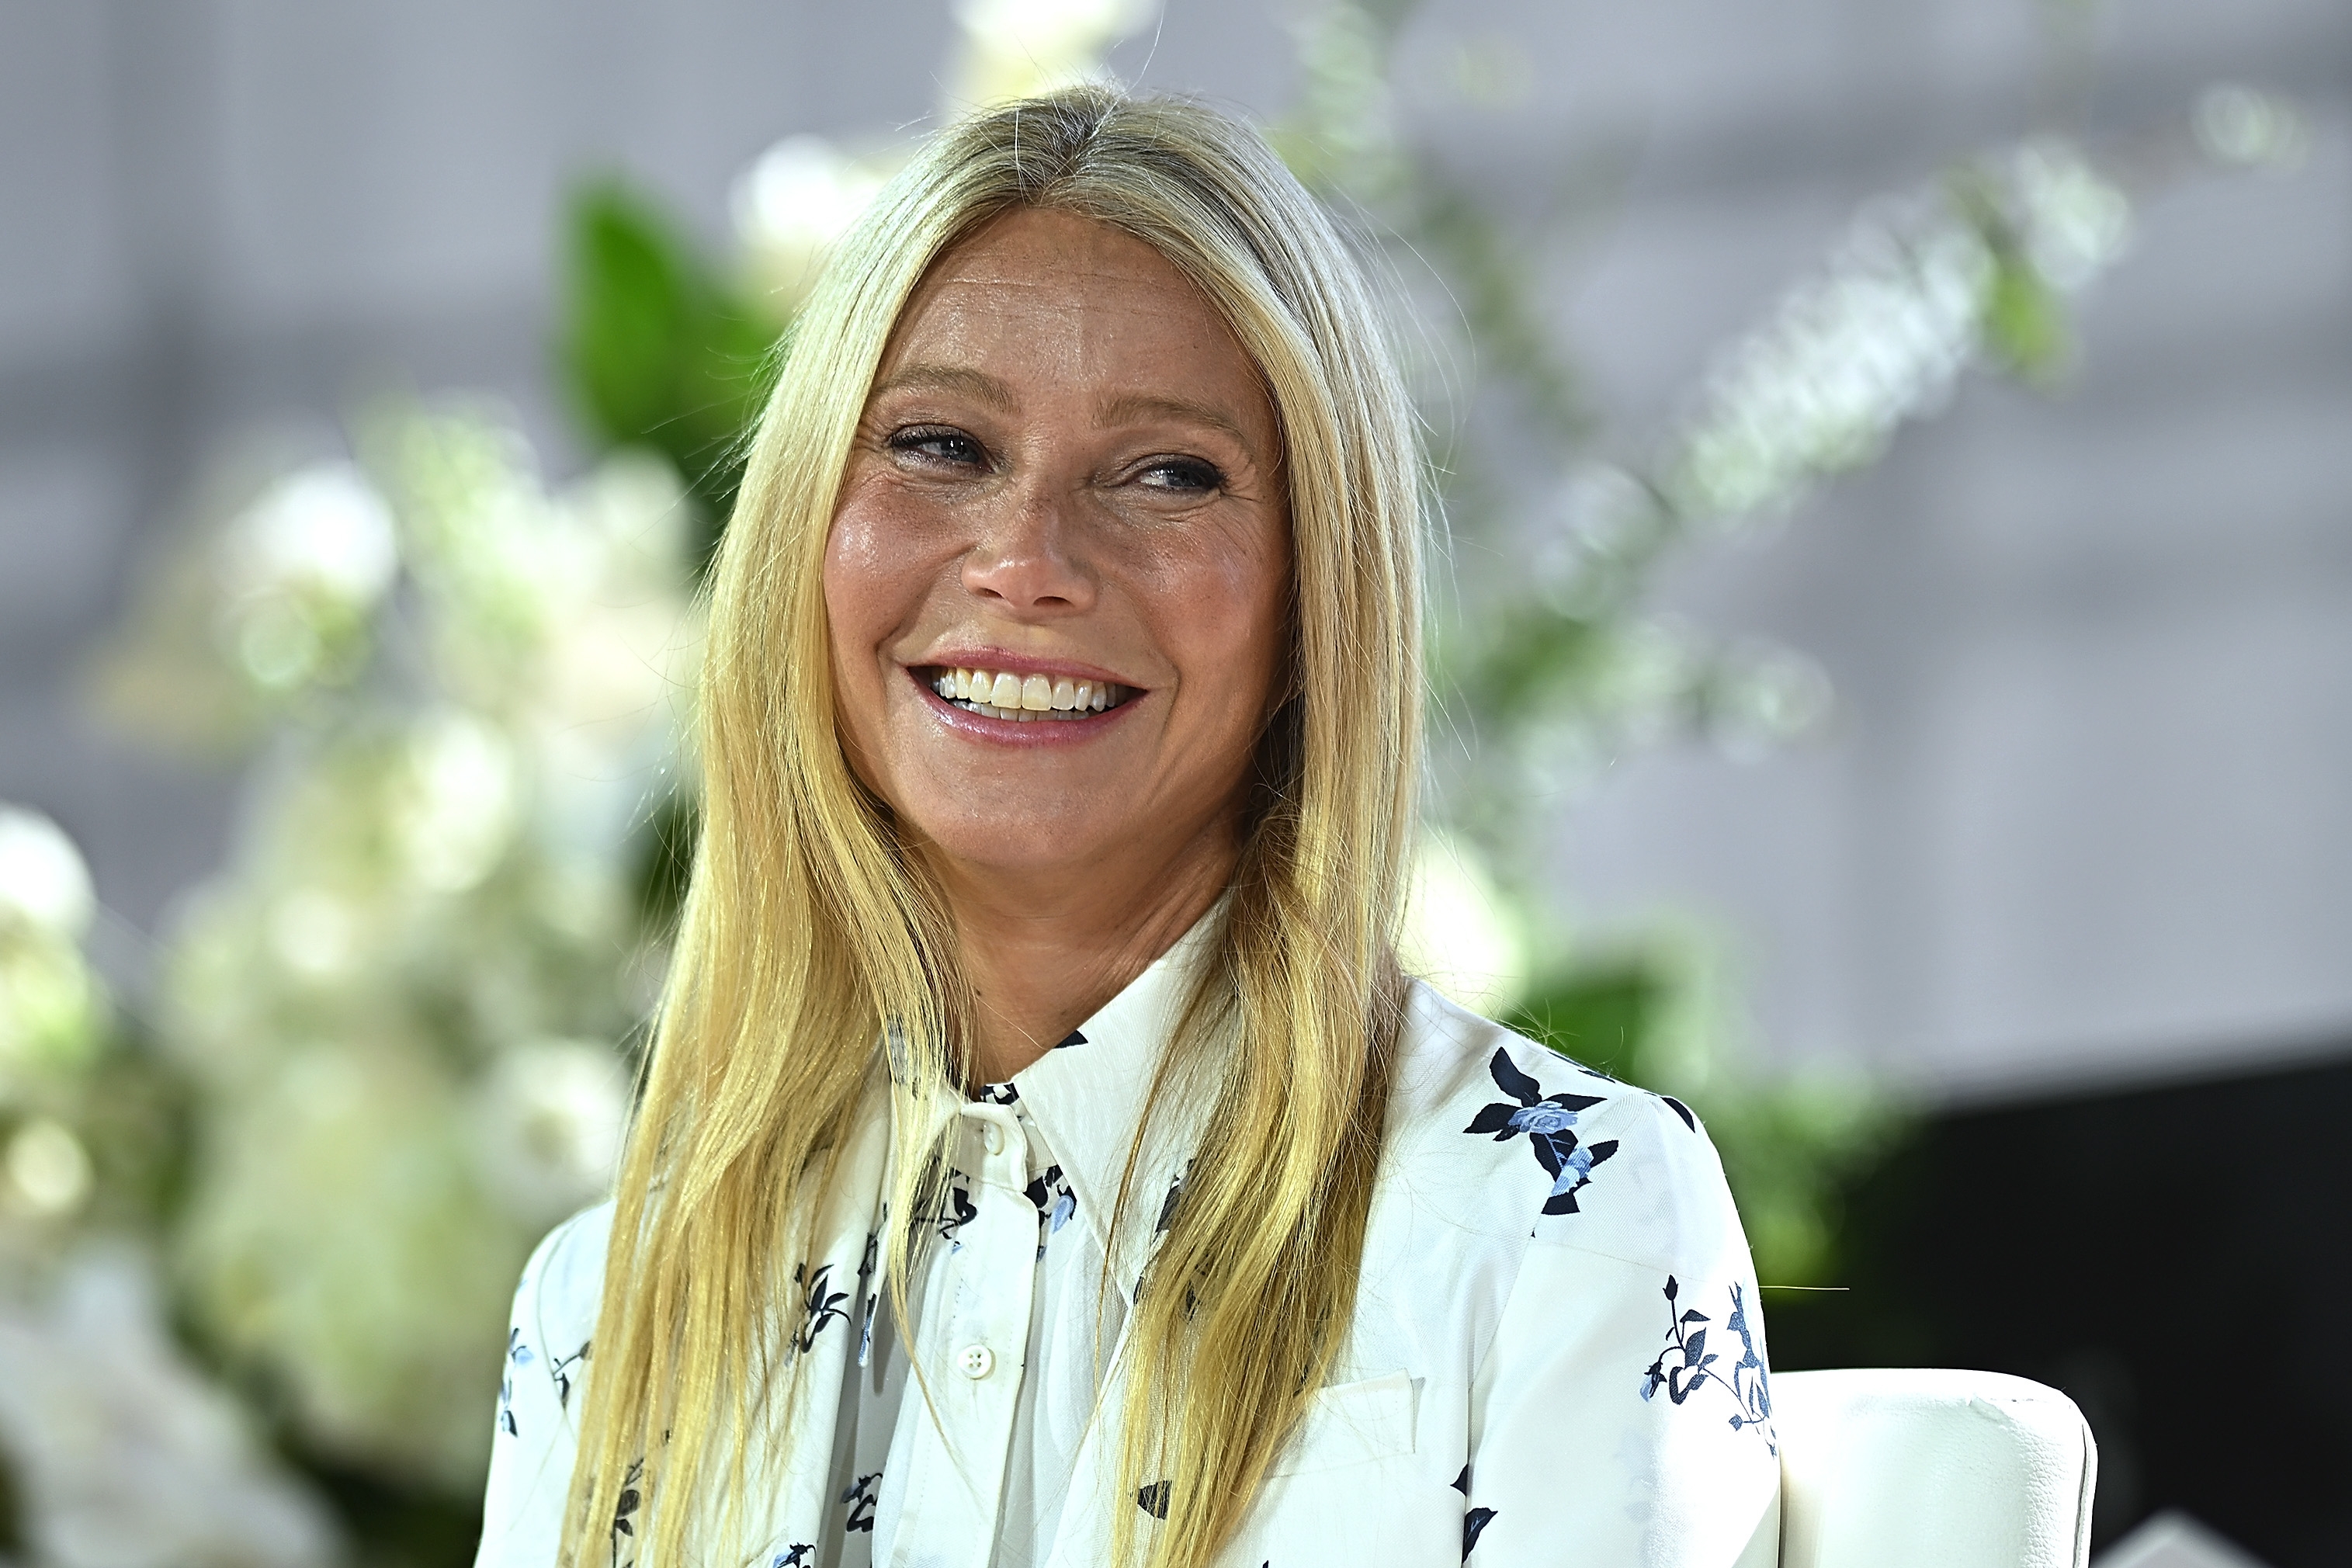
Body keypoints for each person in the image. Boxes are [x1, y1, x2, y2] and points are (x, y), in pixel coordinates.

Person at [477, 85, 1778, 1568]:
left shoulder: (1564, 1225)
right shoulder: (607, 1306)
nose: (1026, 562)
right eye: (941, 446)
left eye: (1170, 472)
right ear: (799, 539)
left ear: (1315, 592)